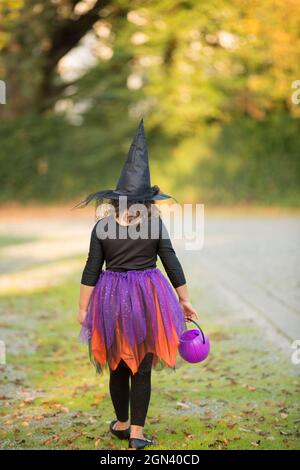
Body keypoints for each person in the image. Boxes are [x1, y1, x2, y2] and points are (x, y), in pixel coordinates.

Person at [75, 119, 198, 449]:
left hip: (111, 298)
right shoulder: (154, 223)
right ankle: (138, 435)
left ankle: (122, 422)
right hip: (149, 296)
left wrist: (83, 307)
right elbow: (170, 261)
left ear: (116, 199)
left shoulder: (101, 227)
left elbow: (91, 268)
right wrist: (184, 299)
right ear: (146, 201)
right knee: (142, 367)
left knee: (118, 364)